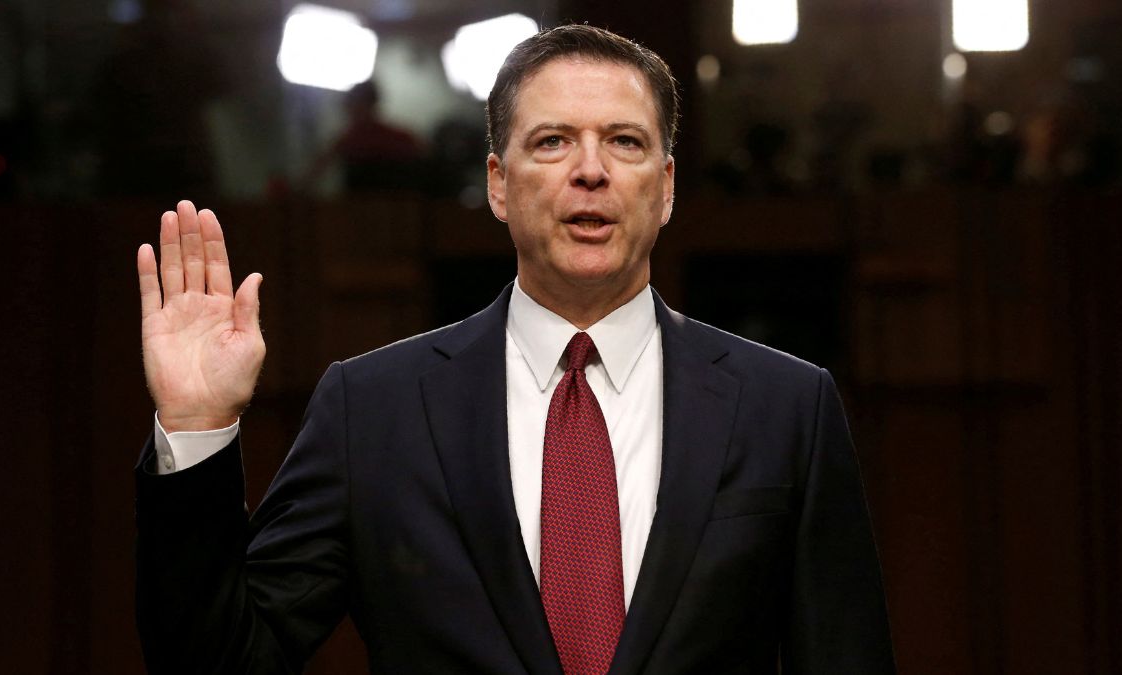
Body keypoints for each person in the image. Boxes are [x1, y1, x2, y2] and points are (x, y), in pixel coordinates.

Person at [134, 24, 895, 674]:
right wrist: (197, 428)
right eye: (553, 140)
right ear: (499, 184)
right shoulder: (373, 410)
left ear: (665, 187)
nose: (589, 169)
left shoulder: (787, 406)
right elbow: (224, 659)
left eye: (623, 142)